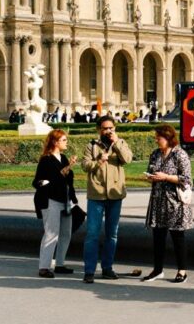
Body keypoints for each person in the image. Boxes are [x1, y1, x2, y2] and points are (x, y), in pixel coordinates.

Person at [81, 116, 133, 283]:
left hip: (115, 193)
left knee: (112, 234)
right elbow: (84, 165)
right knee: (92, 234)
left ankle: (107, 268)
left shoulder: (121, 143)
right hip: (96, 194)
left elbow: (127, 159)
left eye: (111, 128)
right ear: (99, 130)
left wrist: (116, 142)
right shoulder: (92, 146)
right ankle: (89, 270)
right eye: (105, 128)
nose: (108, 131)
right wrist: (98, 161)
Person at [141, 124, 193, 284]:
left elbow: (187, 178)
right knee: (158, 236)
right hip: (158, 200)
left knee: (178, 236)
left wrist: (166, 177)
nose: (156, 140)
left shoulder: (180, 154)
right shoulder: (155, 154)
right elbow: (151, 169)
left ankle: (182, 271)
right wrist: (151, 176)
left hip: (175, 202)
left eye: (159, 137)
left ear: (168, 138)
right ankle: (157, 269)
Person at [33, 129, 78, 278]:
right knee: (51, 234)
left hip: (65, 200)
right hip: (50, 200)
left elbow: (68, 180)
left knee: (65, 233)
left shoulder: (64, 158)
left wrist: (73, 198)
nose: (66, 142)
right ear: (55, 142)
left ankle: (60, 264)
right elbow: (38, 181)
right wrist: (64, 171)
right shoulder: (46, 159)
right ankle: (44, 267)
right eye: (64, 140)